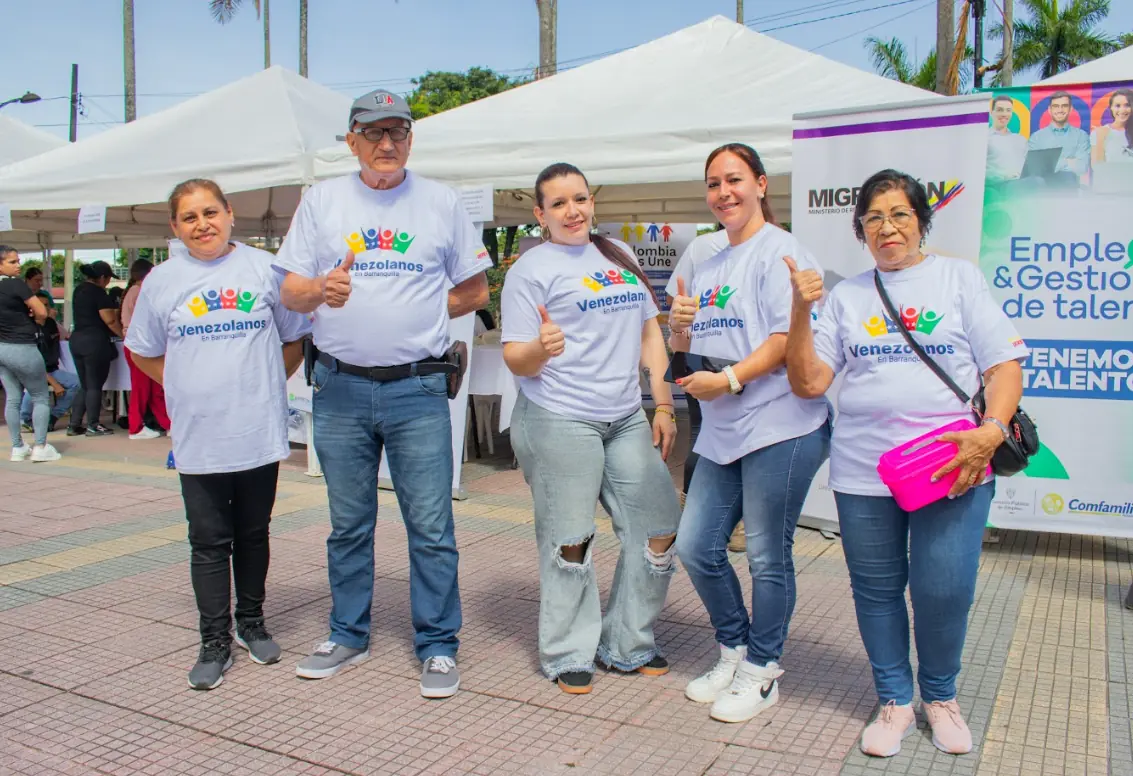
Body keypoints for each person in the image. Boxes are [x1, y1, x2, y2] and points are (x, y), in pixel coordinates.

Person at [783, 169, 1027, 758]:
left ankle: (940, 696)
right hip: (864, 470)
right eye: (873, 218)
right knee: (876, 589)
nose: (886, 227)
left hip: (953, 464)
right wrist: (799, 310)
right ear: (860, 230)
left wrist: (991, 432)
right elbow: (810, 382)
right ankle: (894, 698)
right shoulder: (847, 296)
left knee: (944, 589)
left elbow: (1003, 366)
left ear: (921, 222)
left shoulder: (958, 279)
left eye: (899, 214)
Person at [273, 89, 490, 699]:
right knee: (348, 524)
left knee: (431, 524)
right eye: (373, 133)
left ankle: (438, 644)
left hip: (418, 388)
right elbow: (289, 291)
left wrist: (422, 309)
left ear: (411, 140)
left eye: (398, 132)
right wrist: (321, 290)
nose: (387, 143)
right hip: (339, 387)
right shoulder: (322, 201)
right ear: (352, 141)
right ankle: (347, 633)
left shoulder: (441, 201)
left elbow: (475, 290)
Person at [501, 162, 680, 695]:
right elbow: (515, 356)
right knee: (571, 539)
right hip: (558, 416)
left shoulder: (617, 255)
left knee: (659, 526)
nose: (572, 211)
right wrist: (541, 348)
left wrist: (663, 404)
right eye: (558, 204)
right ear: (540, 215)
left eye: (579, 198)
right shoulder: (530, 270)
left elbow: (649, 332)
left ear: (592, 201)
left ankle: (626, 642)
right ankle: (567, 651)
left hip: (624, 416)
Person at [125, 179, 311, 691]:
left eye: (210, 212)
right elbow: (141, 349)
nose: (202, 224)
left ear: (229, 213)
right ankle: (214, 640)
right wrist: (182, 383)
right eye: (189, 217)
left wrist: (266, 383)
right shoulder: (162, 281)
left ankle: (252, 623)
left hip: (256, 430)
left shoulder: (264, 269)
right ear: (175, 227)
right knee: (208, 541)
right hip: (200, 435)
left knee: (253, 533)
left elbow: (294, 337)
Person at [668, 143, 831, 724]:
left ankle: (763, 670)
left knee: (765, 553)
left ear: (761, 184)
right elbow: (686, 347)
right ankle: (733, 649)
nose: (724, 193)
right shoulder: (706, 258)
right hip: (723, 426)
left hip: (781, 424)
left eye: (734, 180)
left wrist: (731, 378)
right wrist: (679, 329)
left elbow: (787, 339)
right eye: (714, 184)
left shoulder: (782, 251)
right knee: (695, 545)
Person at [665, 227, 744, 551]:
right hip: (711, 354)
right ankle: (728, 521)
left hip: (718, 355)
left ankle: (697, 513)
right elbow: (677, 301)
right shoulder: (705, 246)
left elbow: (673, 298)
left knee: (707, 434)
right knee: (712, 434)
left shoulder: (770, 242)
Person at [0, 246, 60, 462]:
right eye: (12, 262)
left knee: (13, 398)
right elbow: (42, 311)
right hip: (23, 346)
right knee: (40, 396)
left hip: (2, 347)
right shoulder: (16, 284)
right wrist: (36, 317)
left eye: (18, 261)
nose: (18, 265)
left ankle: (17, 447)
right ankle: (40, 446)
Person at [67, 260, 122, 437]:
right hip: (95, 341)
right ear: (102, 277)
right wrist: (124, 335)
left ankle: (74, 424)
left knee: (85, 384)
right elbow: (110, 320)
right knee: (94, 385)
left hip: (77, 339)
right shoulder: (99, 293)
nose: (108, 282)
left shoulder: (79, 290)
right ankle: (93, 424)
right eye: (108, 278)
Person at [121, 258, 170, 440]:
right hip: (140, 344)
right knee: (142, 388)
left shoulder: (134, 291)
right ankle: (135, 428)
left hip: (142, 343)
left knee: (155, 387)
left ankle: (169, 424)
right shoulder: (139, 292)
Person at [20, 291, 80, 433]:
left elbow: (66, 336)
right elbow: (33, 363)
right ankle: (25, 419)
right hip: (34, 370)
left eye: (47, 305)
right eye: (41, 305)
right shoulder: (27, 327)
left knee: (77, 382)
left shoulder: (52, 323)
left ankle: (53, 417)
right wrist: (54, 383)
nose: (45, 308)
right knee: (34, 386)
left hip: (52, 369)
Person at [1027, 91, 1090, 180]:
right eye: (1056, 106)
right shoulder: (1036, 138)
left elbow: (1082, 167)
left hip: (1071, 187)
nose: (1060, 110)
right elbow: (1034, 169)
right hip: (1043, 187)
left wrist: (1049, 163)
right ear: (1049, 110)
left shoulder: (1081, 136)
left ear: (1071, 109)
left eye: (1064, 106)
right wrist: (1068, 161)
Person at [986, 95, 1027, 182]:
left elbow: (1029, 166)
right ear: (992, 112)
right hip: (998, 184)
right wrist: (1004, 177)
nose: (1004, 114)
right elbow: (977, 169)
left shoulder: (1020, 139)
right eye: (1000, 110)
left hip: (1022, 182)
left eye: (1008, 110)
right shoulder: (984, 138)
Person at [1091, 89, 1133, 164]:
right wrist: (1100, 140)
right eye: (1117, 106)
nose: (1122, 110)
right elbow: (1097, 167)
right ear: (1111, 108)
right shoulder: (1099, 133)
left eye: (1127, 105)